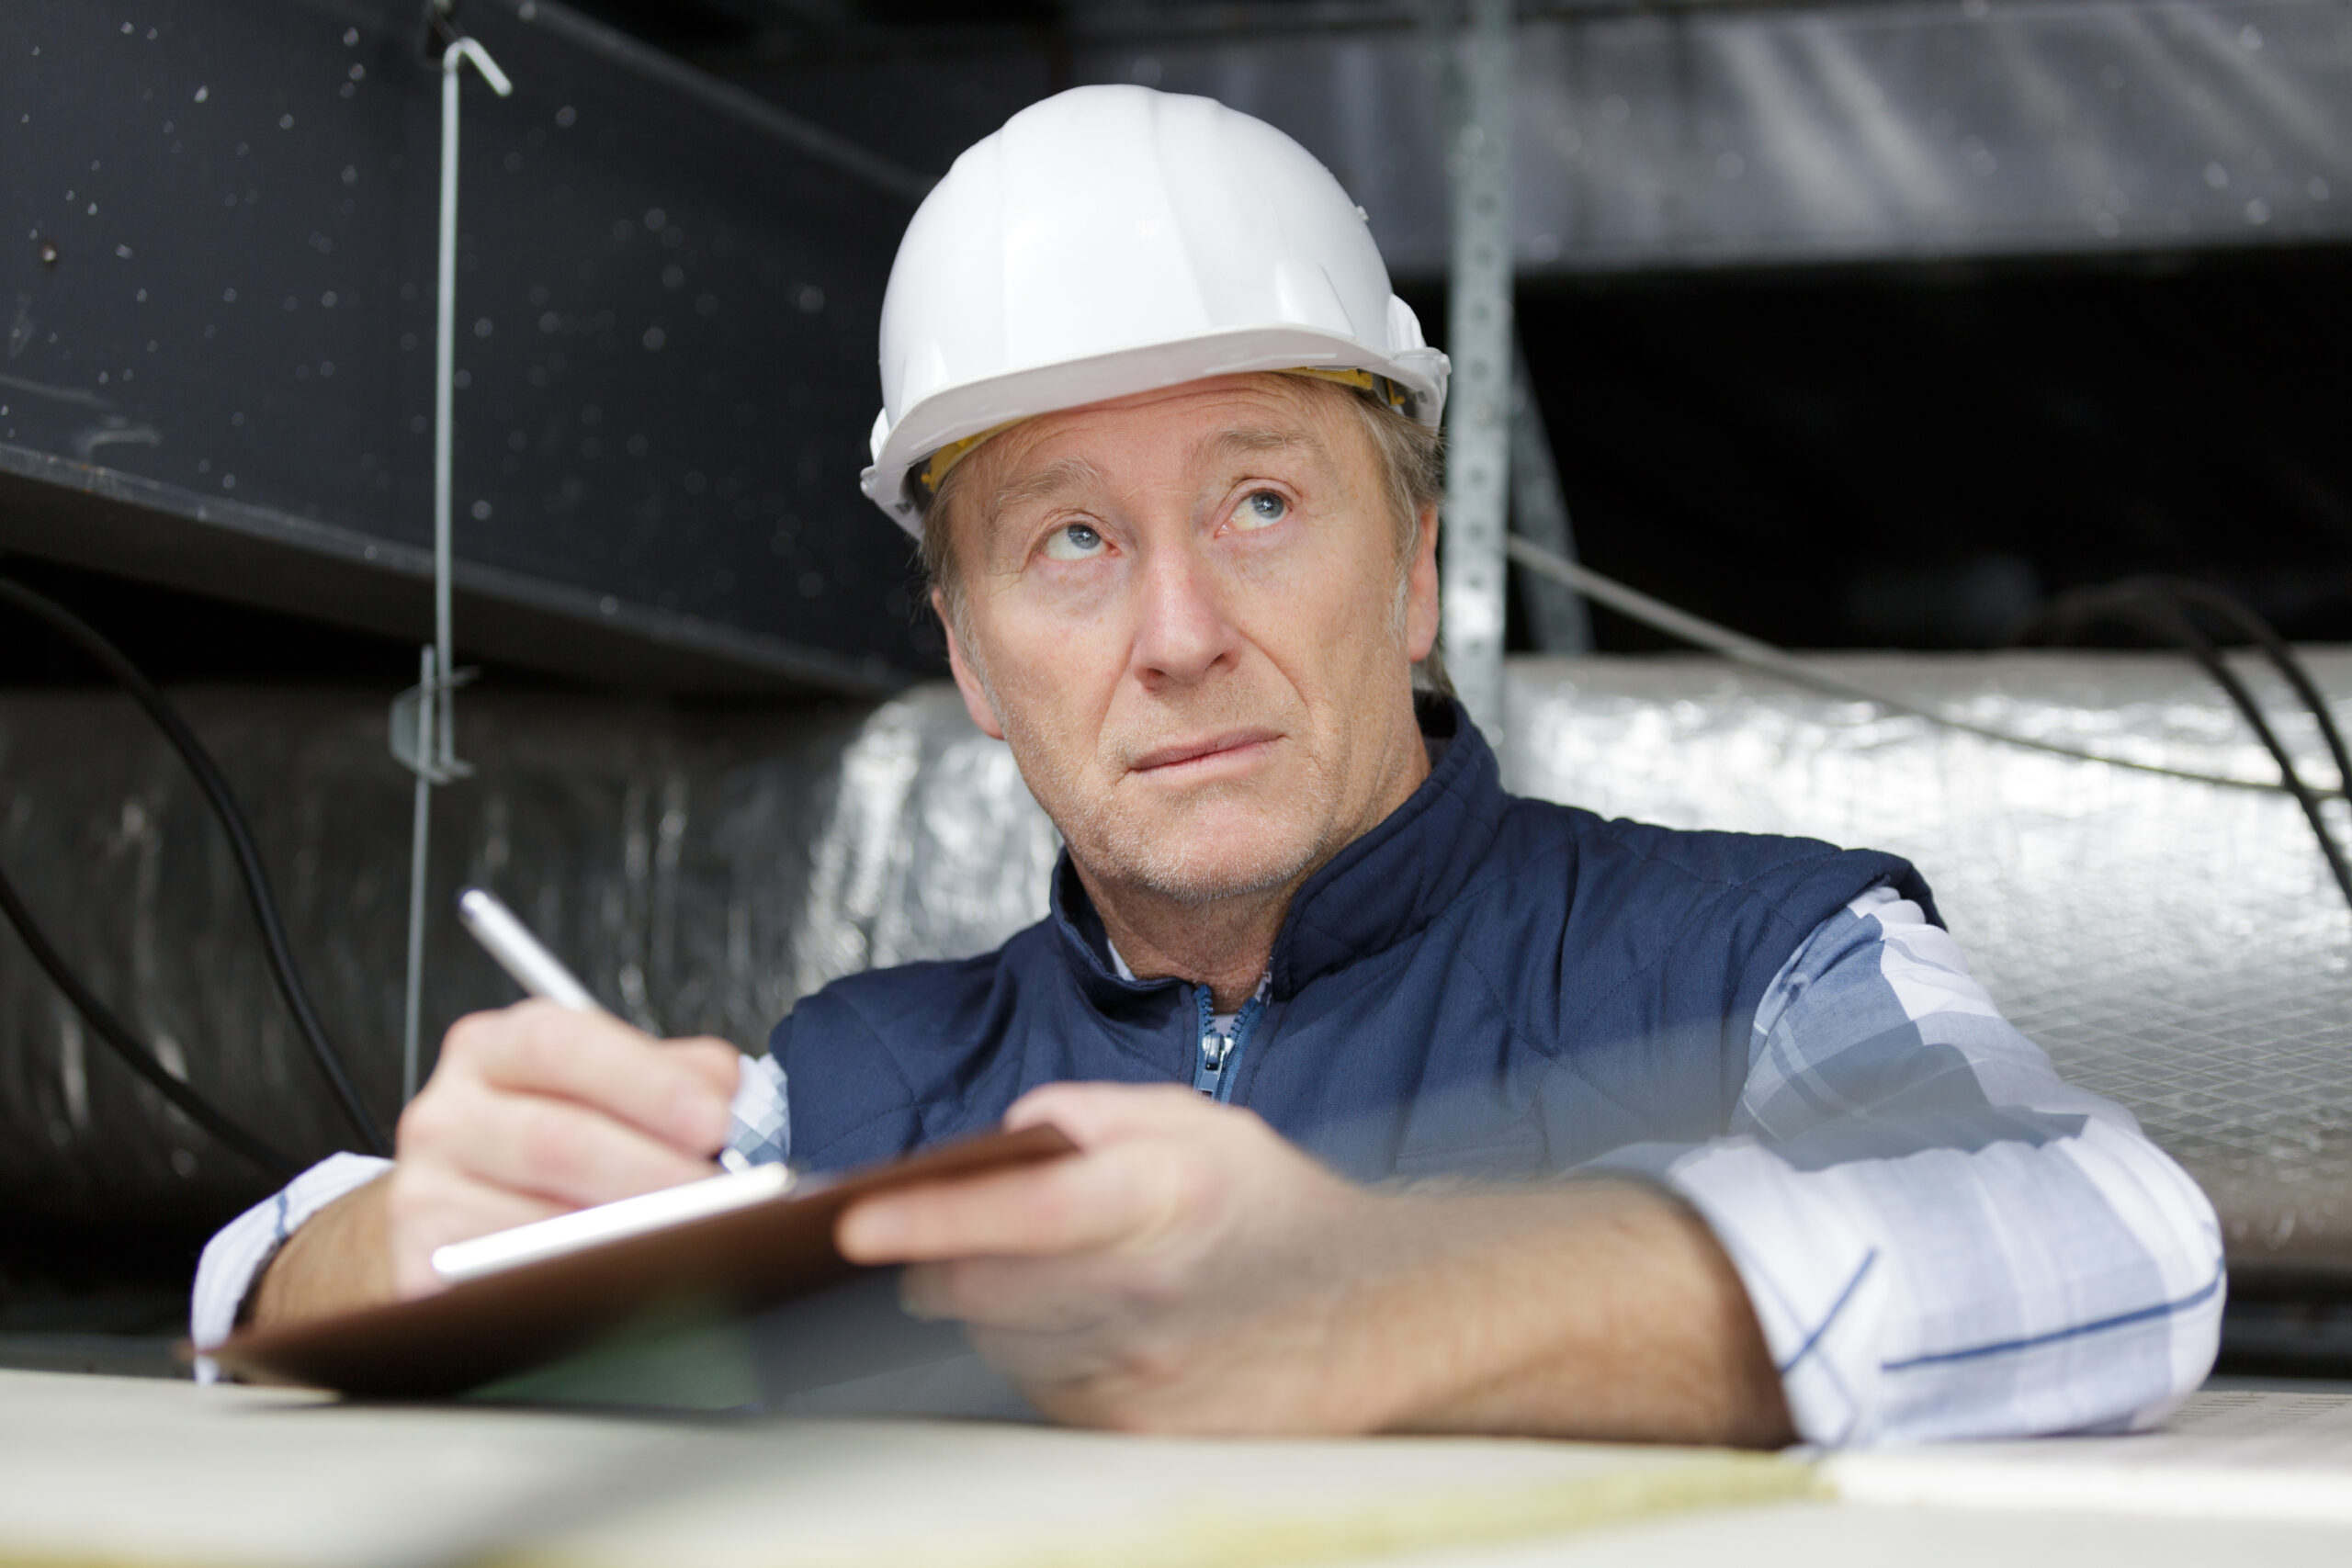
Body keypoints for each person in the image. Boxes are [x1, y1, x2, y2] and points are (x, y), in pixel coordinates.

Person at [194, 85, 2221, 1446]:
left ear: (1411, 566)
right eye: (1068, 540)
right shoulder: (873, 1085)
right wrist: (412, 1255)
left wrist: (1387, 1301)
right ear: (975, 657)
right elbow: (252, 1288)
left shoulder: (1747, 951)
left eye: (1259, 500)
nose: (1175, 630)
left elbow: (2113, 1243)